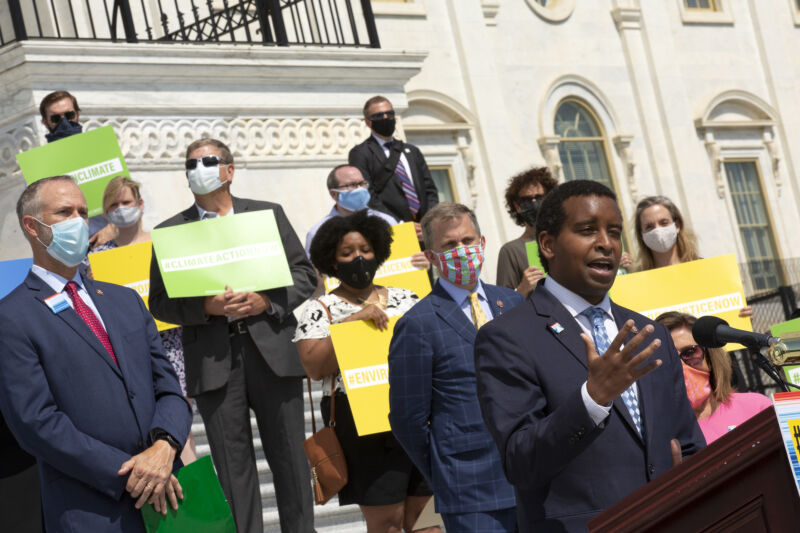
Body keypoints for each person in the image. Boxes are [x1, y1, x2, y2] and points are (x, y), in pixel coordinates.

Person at [474, 180, 706, 532]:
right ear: (548, 244)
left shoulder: (649, 333)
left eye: (614, 232)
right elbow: (521, 462)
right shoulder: (506, 338)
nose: (606, 243)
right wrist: (592, 401)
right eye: (587, 230)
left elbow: (687, 443)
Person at [0, 176, 192, 532]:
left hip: (169, 496)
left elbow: (169, 389)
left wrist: (165, 446)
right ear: (31, 226)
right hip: (90, 506)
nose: (79, 221)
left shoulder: (125, 300)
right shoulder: (11, 316)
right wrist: (131, 473)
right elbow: (36, 422)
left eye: (83, 212)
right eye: (64, 212)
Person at [149, 138, 316, 533]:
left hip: (272, 352)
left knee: (292, 462)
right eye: (191, 164)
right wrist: (205, 308)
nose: (198, 169)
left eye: (207, 161)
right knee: (232, 469)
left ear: (229, 169)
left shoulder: (267, 215)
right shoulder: (171, 232)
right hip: (213, 361)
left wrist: (266, 301)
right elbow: (159, 302)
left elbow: (306, 275)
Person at [295, 210, 437, 533]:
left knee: (428, 521)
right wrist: (350, 324)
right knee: (388, 522)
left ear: (378, 252)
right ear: (332, 262)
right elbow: (315, 366)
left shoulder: (408, 298)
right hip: (363, 426)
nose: (358, 258)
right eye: (347, 253)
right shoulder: (319, 310)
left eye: (365, 250)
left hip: (417, 417)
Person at [388, 202, 521, 532]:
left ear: (483, 243)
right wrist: (444, 471)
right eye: (449, 245)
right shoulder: (417, 324)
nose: (462, 251)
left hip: (532, 479)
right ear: (432, 257)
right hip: (470, 490)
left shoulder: (514, 303)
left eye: (467, 241)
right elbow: (408, 419)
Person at [90, 176, 197, 465]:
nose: (121, 208)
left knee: (181, 426)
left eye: (126, 202)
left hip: (172, 345)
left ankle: (195, 501)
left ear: (140, 204)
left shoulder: (162, 244)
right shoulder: (97, 256)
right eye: (114, 204)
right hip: (128, 351)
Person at [655, 312, 772, 444]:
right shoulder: (660, 437)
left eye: (691, 352)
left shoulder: (756, 408)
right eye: (669, 359)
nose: (682, 368)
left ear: (710, 356)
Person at [634, 195, 752, 317]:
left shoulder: (708, 272)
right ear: (641, 234)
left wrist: (743, 317)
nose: (658, 231)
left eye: (664, 223)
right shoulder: (637, 287)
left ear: (677, 225)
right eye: (649, 227)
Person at [348, 95, 439, 241]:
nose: (386, 118)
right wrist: (399, 225)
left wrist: (428, 223)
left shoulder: (412, 151)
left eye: (389, 114)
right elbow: (366, 195)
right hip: (393, 232)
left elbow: (429, 190)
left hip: (423, 231)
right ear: (368, 122)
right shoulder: (360, 153)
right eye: (378, 115)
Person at [39, 90, 116, 247]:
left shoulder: (102, 151)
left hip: (112, 242)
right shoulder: (39, 167)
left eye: (69, 116)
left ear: (78, 114)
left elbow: (133, 201)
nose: (64, 123)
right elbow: (37, 218)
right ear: (45, 122)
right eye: (55, 118)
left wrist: (113, 227)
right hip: (68, 251)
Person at [305, 164, 399, 254]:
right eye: (352, 185)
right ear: (334, 194)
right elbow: (312, 269)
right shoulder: (318, 233)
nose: (359, 189)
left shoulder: (388, 222)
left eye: (362, 183)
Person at [496, 166, 558, 297]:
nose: (534, 203)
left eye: (539, 197)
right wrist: (522, 290)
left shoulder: (567, 240)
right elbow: (502, 307)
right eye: (527, 200)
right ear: (517, 206)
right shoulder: (511, 251)